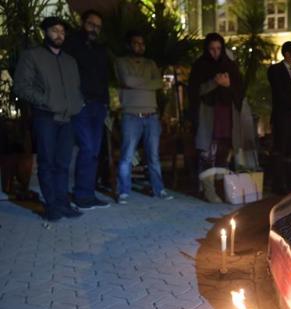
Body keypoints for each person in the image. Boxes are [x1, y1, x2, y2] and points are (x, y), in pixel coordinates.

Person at [13, 17, 84, 221]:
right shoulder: (32, 56)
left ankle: (62, 203)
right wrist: (46, 101)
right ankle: (51, 206)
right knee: (47, 164)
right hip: (46, 117)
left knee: (63, 164)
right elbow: (21, 86)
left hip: (68, 119)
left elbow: (76, 88)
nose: (59, 34)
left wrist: (78, 104)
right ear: (46, 32)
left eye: (62, 31)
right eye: (54, 30)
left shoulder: (70, 61)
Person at [114, 31, 172, 204]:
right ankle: (124, 191)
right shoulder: (121, 62)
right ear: (129, 45)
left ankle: (158, 189)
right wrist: (147, 83)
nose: (139, 46)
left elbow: (159, 83)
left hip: (151, 116)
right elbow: (127, 81)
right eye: (136, 43)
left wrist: (137, 82)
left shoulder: (151, 63)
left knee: (153, 156)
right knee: (126, 155)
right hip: (131, 115)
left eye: (142, 43)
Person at [64, 9, 110, 209]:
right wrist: (76, 100)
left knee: (94, 151)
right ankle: (82, 195)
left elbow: (104, 77)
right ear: (83, 23)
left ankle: (87, 193)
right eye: (91, 24)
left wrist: (106, 103)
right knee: (87, 148)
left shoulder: (99, 49)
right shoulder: (72, 44)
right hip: (82, 105)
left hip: (98, 105)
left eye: (98, 27)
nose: (94, 29)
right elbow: (67, 74)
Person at [188, 33, 244, 173]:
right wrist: (214, 82)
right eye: (212, 49)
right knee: (207, 150)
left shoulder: (229, 65)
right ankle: (207, 186)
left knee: (224, 148)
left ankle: (221, 183)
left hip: (226, 111)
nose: (216, 52)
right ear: (207, 49)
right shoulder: (200, 65)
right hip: (208, 111)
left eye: (219, 48)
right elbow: (195, 90)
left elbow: (239, 88)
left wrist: (227, 84)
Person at [268, 41, 291, 194]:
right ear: (287, 53)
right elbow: (279, 92)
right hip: (282, 117)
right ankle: (279, 184)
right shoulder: (275, 70)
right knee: (280, 151)